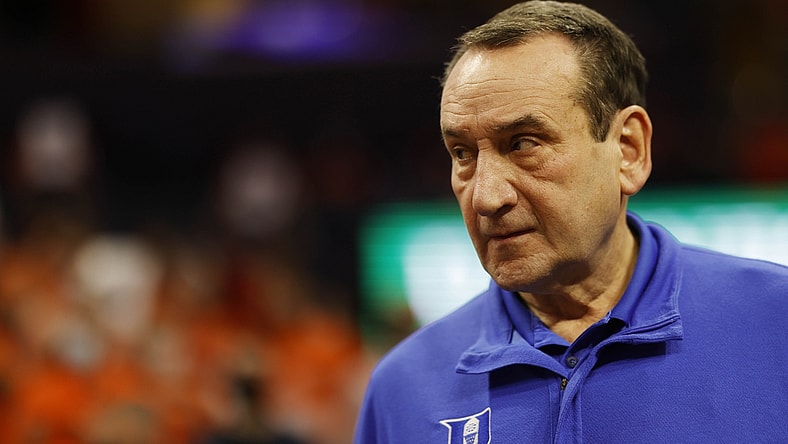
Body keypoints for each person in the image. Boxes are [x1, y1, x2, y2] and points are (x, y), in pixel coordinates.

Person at [354, 1, 788, 442]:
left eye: (524, 144)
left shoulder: (777, 323)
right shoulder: (402, 390)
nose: (486, 197)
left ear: (628, 149)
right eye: (463, 153)